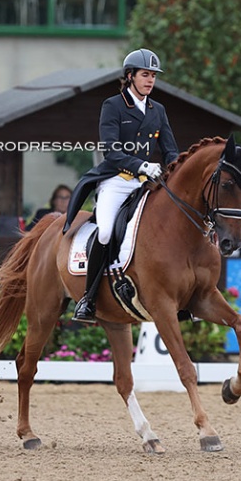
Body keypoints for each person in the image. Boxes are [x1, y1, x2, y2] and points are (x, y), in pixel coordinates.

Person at [62, 48, 179, 323]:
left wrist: (174, 170)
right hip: (116, 181)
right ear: (130, 76)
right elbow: (112, 151)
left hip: (145, 185)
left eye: (153, 76)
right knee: (104, 233)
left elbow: (171, 150)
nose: (150, 81)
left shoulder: (158, 110)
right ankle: (88, 299)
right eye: (145, 75)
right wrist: (141, 165)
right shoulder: (113, 106)